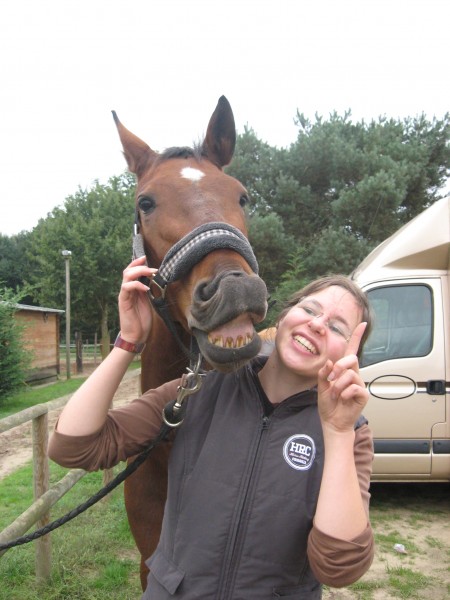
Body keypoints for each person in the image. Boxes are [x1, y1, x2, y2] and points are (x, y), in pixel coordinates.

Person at [49, 255, 375, 599]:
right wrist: (129, 341)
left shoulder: (351, 434)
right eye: (309, 309)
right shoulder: (198, 390)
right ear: (283, 317)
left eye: (337, 328)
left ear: (349, 356)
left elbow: (339, 568)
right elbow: (73, 447)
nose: (317, 324)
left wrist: (338, 432)